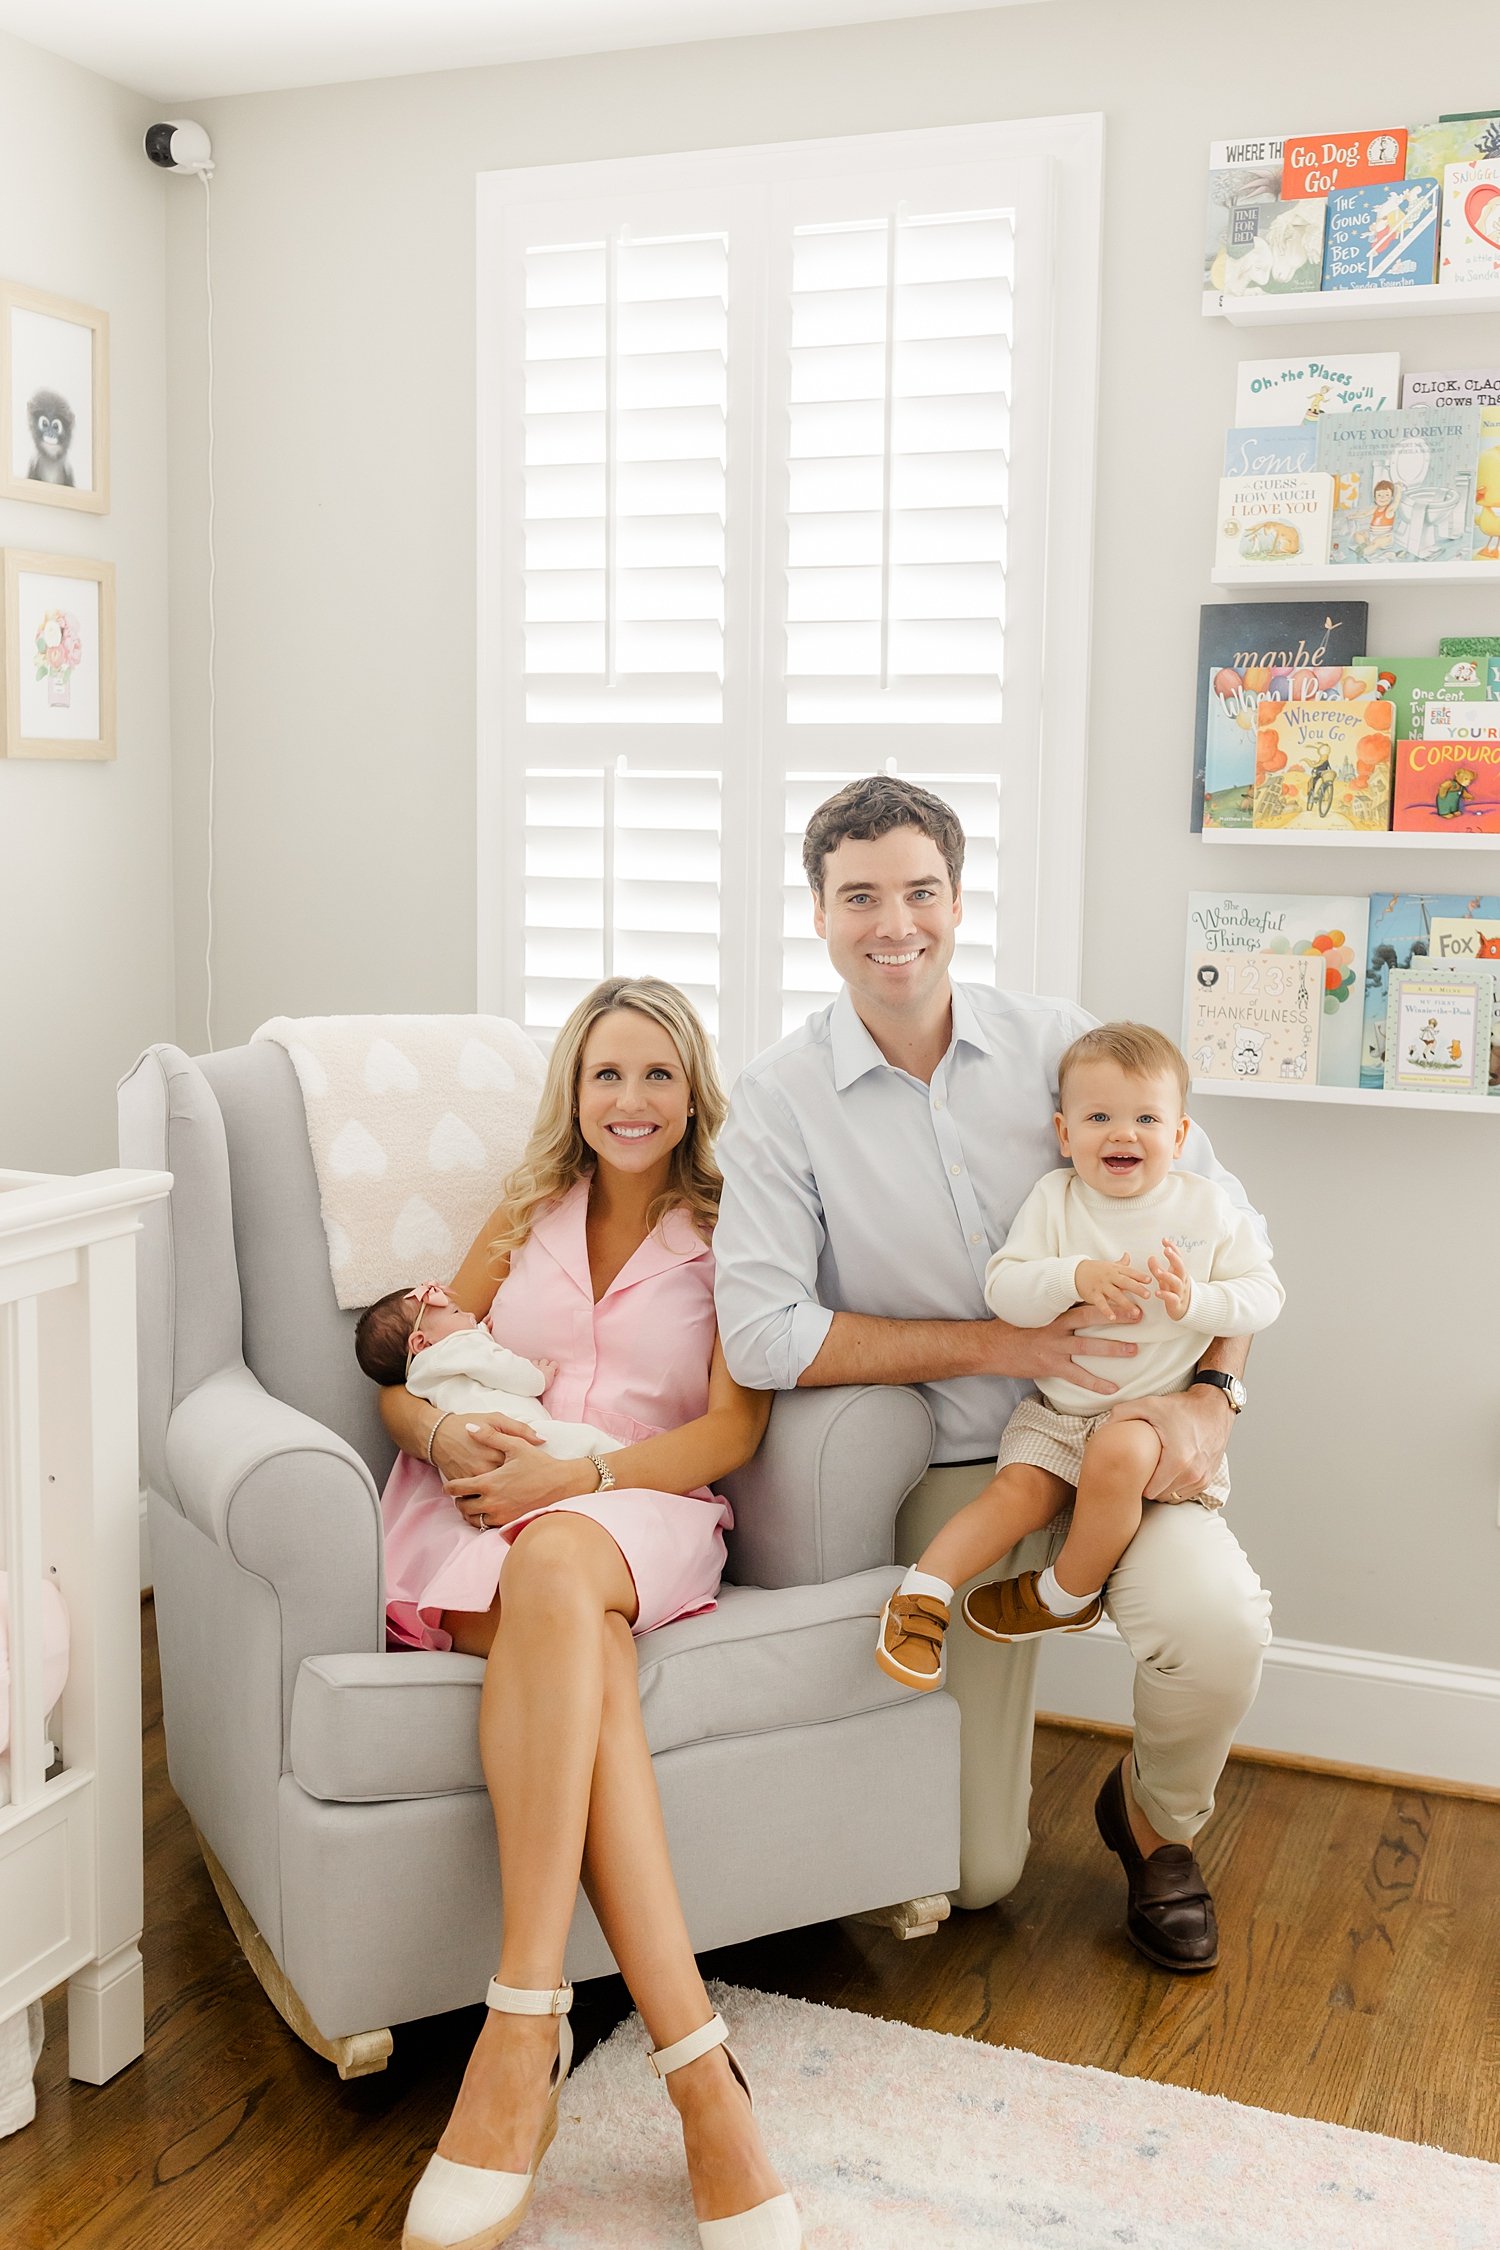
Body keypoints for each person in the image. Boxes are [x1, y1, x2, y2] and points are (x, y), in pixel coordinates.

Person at [713, 776, 1273, 1975]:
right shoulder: (776, 1102)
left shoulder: (1059, 1045)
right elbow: (762, 1333)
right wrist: (998, 1345)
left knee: (1219, 1629)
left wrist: (1210, 1394)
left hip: (1125, 1432)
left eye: (920, 890)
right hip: (957, 1461)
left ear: (959, 901)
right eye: (859, 896)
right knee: (977, 1881)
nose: (893, 922)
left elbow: (1230, 1228)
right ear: (817, 915)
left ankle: (1155, 1825)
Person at [379, 976, 800, 2250]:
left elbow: (733, 1428)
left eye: (659, 1075)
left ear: (694, 1093)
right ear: (575, 1088)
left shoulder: (737, 1229)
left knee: (566, 1570)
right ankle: (700, 2075)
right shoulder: (522, 1212)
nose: (632, 1100)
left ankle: (520, 2032)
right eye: (608, 1074)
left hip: (639, 1503)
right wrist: (450, 1427)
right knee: (583, 1657)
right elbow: (417, 1377)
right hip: (475, 1506)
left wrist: (583, 1476)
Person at [876, 1021, 1282, 1694]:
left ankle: (1065, 1595)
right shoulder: (1055, 1201)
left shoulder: (1205, 1207)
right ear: (1066, 1135)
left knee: (1120, 1451)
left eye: (1146, 1118)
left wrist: (1197, 1304)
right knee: (1015, 1493)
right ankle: (921, 1595)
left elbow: (1264, 1294)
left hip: (1148, 1422)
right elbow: (1004, 1289)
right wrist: (1074, 1277)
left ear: (1179, 1138)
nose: (1122, 1133)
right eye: (1099, 1117)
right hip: (1060, 1414)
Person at [356, 1279, 622, 1466]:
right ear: (422, 1342)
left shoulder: (420, 1380)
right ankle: (626, 1462)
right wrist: (538, 1377)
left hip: (474, 1454)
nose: (470, 1313)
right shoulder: (459, 1346)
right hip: (519, 1432)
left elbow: (473, 1367)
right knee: (587, 1442)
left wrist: (479, 1332)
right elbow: (503, 1369)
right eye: (456, 1312)